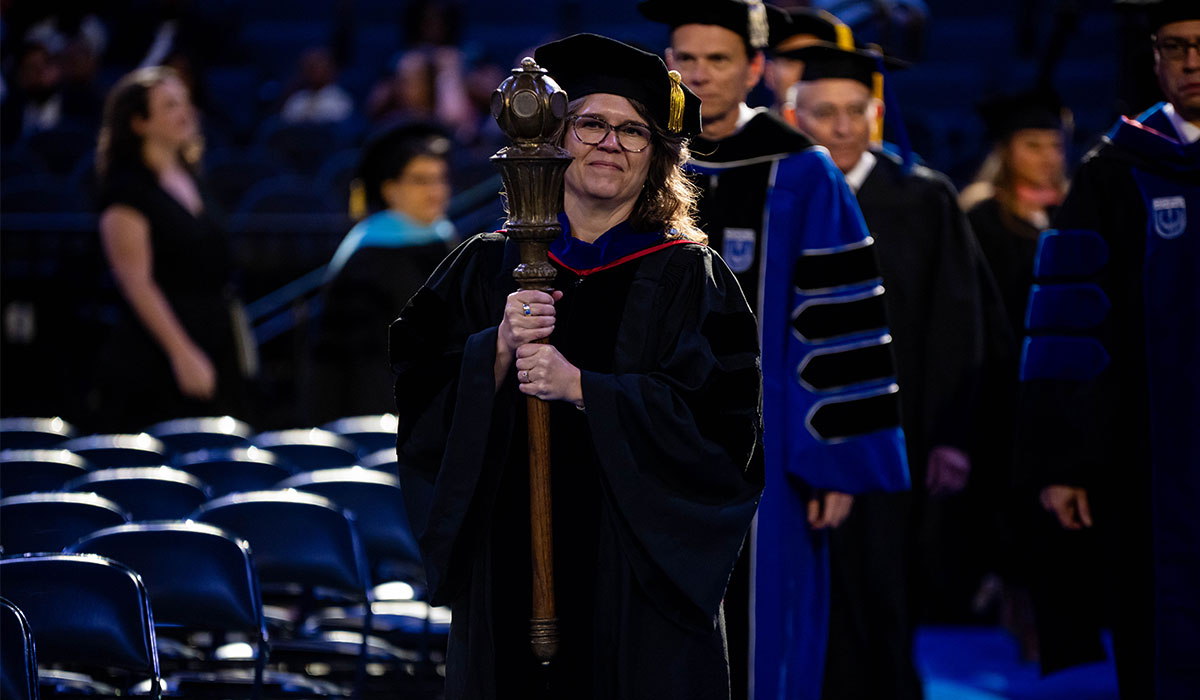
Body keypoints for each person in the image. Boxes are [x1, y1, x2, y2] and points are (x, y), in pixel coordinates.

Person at [390, 33, 763, 699]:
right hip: (509, 563)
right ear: (555, 138)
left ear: (657, 158)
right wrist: (495, 351)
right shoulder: (485, 264)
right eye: (591, 122)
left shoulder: (688, 275)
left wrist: (584, 388)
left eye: (634, 131)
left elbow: (724, 431)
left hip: (634, 575)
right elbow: (419, 398)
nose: (610, 142)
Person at [637, 3, 910, 699]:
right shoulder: (638, 160)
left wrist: (837, 464)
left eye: (718, 59)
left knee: (764, 632)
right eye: (686, 57)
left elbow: (839, 323)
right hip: (648, 440)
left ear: (756, 68)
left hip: (771, 452)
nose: (698, 75)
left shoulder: (801, 173)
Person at [786, 41, 986, 700]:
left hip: (897, 439)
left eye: (854, 111)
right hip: (803, 439)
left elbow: (957, 323)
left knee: (885, 590)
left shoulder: (922, 197)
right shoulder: (783, 195)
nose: (841, 127)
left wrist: (953, 434)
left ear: (875, 115)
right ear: (796, 117)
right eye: (824, 112)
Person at [1017, 2, 1199, 697]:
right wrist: (1063, 460)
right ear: (1154, 58)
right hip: (1145, 460)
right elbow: (1066, 331)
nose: (1192, 61)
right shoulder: (1115, 170)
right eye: (1175, 46)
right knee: (1156, 630)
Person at [89, 66, 251, 432]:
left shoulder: (192, 176)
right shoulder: (126, 190)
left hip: (213, 332)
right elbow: (136, 282)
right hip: (159, 349)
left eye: (185, 103)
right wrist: (182, 353)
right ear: (139, 122)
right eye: (170, 105)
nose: (185, 112)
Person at [306, 123, 456, 424]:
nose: (436, 192)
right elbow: (358, 361)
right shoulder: (366, 256)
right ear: (390, 189)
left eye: (440, 179)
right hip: (383, 409)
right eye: (421, 181)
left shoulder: (445, 241)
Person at [279, 47, 354, 124]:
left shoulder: (341, 100)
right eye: (310, 66)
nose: (314, 71)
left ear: (331, 69)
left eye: (318, 66)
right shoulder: (296, 99)